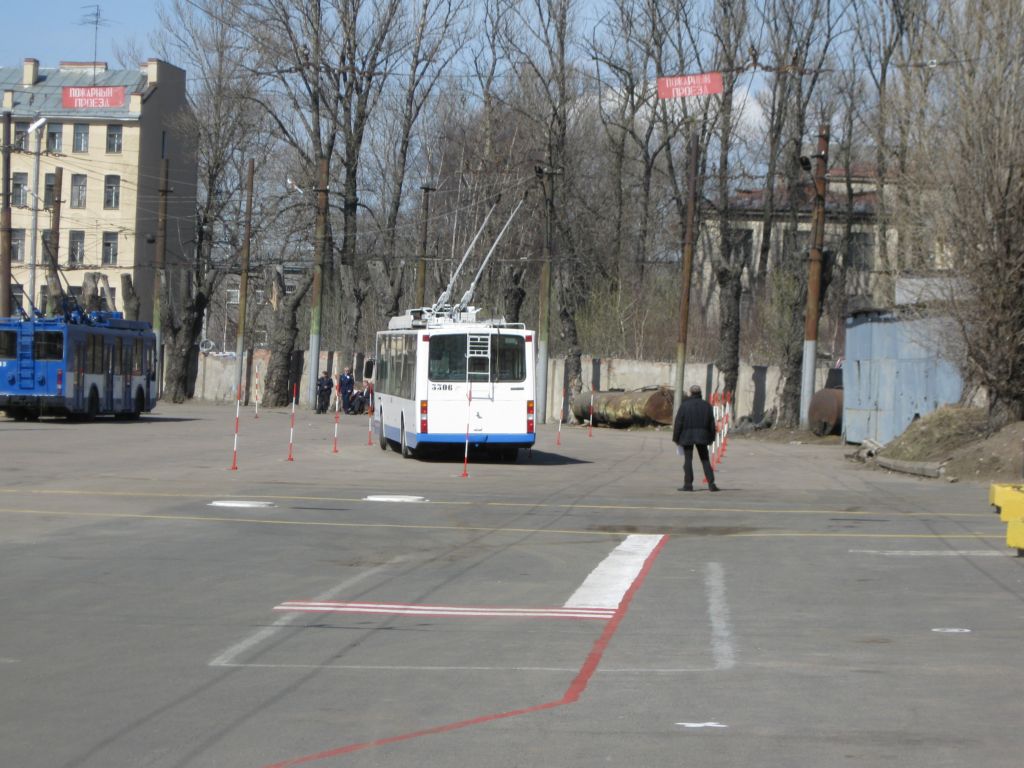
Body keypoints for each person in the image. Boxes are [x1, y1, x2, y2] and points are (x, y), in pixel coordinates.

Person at [671, 384, 719, 492]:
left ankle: (688, 484)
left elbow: (678, 422)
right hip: (703, 436)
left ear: (691, 393)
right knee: (705, 460)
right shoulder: (707, 406)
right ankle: (711, 484)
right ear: (700, 393)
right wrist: (712, 438)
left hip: (687, 436)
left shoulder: (684, 406)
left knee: (688, 460)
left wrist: (676, 438)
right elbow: (711, 424)